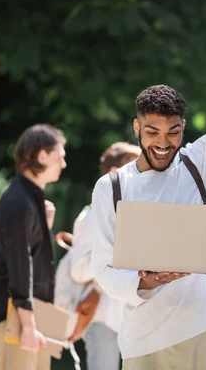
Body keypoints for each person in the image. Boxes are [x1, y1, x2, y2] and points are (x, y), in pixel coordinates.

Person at [89, 0, 206, 369]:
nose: (163, 142)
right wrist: (144, 281)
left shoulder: (202, 164)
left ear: (184, 129)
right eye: (152, 132)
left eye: (173, 132)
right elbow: (102, 267)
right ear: (137, 129)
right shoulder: (112, 187)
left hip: (204, 325)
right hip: (143, 338)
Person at [0, 124, 67, 370]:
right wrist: (28, 327)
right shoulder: (19, 202)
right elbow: (20, 267)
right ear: (42, 156)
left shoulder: (28, 199)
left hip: (28, 315)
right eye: (59, 157)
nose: (63, 164)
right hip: (15, 317)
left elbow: (31, 258)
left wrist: (44, 227)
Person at [54, 142, 141, 370]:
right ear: (114, 172)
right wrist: (120, 255)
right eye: (136, 164)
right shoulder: (93, 214)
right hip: (104, 318)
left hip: (133, 320)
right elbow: (78, 270)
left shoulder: (135, 213)